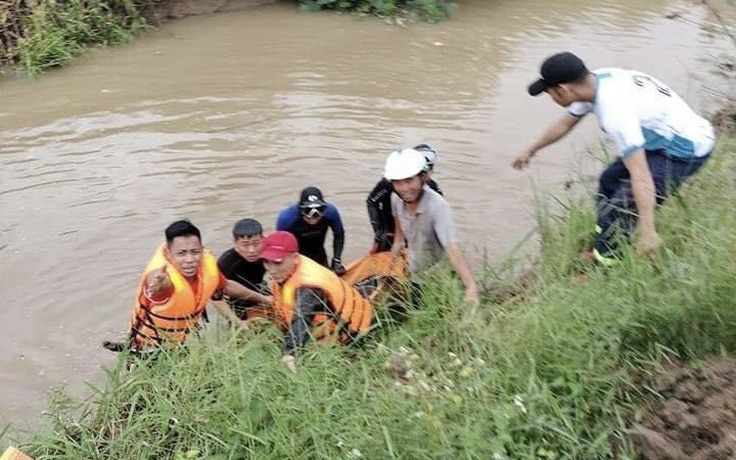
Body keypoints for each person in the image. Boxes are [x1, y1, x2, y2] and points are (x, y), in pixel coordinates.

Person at [513, 52, 715, 264]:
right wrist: (532, 149)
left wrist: (648, 232)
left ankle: (607, 264)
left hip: (685, 150)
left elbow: (640, 174)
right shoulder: (596, 81)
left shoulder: (615, 112)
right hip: (664, 138)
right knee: (608, 181)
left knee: (623, 202)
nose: (551, 98)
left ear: (563, 89)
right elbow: (565, 123)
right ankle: (604, 245)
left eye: (550, 93)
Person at [123, 220, 273, 352]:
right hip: (147, 349)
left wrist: (266, 300)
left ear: (202, 250)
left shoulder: (207, 269)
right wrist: (157, 284)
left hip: (179, 343)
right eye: (181, 253)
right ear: (168, 255)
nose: (189, 259)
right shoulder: (163, 278)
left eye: (195, 252)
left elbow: (226, 286)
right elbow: (160, 286)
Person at [260, 231, 373, 372]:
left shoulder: (309, 286)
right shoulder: (289, 271)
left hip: (353, 332)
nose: (271, 270)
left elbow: (302, 318)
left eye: (278, 262)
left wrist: (290, 353)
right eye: (266, 262)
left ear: (295, 257)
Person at [386, 148, 479, 305]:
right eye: (397, 182)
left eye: (409, 180)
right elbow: (399, 241)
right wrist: (388, 271)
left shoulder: (437, 206)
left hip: (440, 279)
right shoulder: (395, 199)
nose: (404, 188)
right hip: (415, 274)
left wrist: (471, 286)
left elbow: (452, 248)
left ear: (423, 178)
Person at [367, 143, 443, 253]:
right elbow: (372, 201)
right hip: (388, 233)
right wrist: (378, 228)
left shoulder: (434, 192)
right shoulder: (389, 182)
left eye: (430, 168)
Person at [276, 186, 346, 275]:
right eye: (308, 211)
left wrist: (336, 260)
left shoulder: (331, 212)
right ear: (300, 209)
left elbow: (339, 234)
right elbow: (280, 246)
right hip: (296, 257)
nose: (313, 217)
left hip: (319, 253)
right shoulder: (286, 218)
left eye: (319, 211)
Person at [216, 218, 269, 320]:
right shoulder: (226, 264)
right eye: (245, 245)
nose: (251, 250)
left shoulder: (268, 253)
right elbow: (216, 299)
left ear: (263, 240)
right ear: (235, 244)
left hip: (258, 287)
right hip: (238, 300)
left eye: (256, 243)